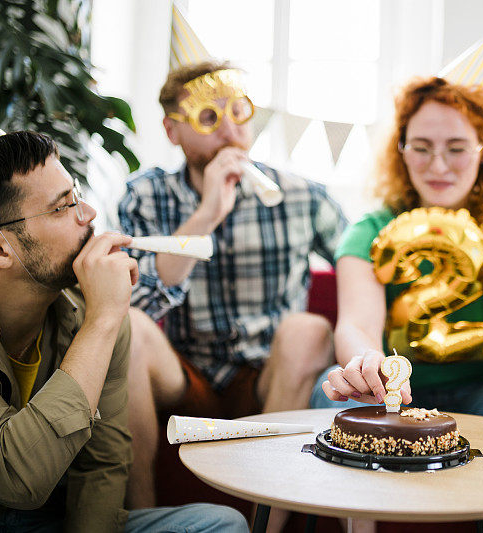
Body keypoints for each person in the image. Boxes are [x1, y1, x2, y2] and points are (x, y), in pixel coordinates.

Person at [310, 76, 483, 533]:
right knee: (327, 389)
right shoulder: (372, 229)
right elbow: (356, 324)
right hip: (394, 402)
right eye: (421, 146)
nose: (438, 165)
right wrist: (366, 364)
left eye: (457, 147)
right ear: (401, 150)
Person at [0, 130, 247, 531]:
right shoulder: (101, 316)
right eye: (61, 207)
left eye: (77, 193)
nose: (88, 214)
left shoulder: (96, 310)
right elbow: (17, 480)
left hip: (46, 522)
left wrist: (105, 317)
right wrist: (102, 321)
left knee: (220, 524)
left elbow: (102, 464)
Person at [117, 61, 347, 518]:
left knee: (307, 329)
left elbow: (365, 270)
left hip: (270, 380)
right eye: (208, 118)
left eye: (238, 113)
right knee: (130, 327)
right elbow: (135, 300)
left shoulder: (302, 196)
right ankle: (143, 522)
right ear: (172, 130)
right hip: (187, 376)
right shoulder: (145, 196)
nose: (229, 132)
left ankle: (268, 523)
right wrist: (206, 215)